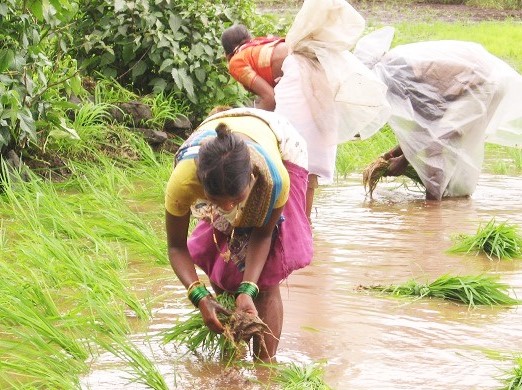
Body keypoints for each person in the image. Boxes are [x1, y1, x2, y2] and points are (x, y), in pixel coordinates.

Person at [164, 107, 313, 362]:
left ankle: (265, 367)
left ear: (251, 180)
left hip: (281, 141)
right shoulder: (183, 181)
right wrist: (199, 297)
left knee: (266, 277)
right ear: (202, 187)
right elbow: (176, 247)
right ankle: (232, 350)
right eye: (217, 201)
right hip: (221, 145)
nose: (229, 208)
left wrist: (248, 290)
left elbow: (263, 236)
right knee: (220, 256)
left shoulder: (274, 180)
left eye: (237, 199)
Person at [221, 0, 390, 221]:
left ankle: (292, 226)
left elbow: (269, 98)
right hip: (317, 78)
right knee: (307, 164)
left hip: (300, 78)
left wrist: (252, 129)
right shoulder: (262, 45)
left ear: (227, 54)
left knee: (290, 160)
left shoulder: (237, 61)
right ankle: (304, 226)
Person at [354, 28, 522, 200]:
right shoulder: (393, 64)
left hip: (479, 85)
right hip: (485, 81)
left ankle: (433, 211)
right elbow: (428, 122)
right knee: (453, 145)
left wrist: (404, 161)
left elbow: (433, 134)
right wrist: (401, 151)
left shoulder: (395, 74)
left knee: (436, 150)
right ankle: (457, 201)